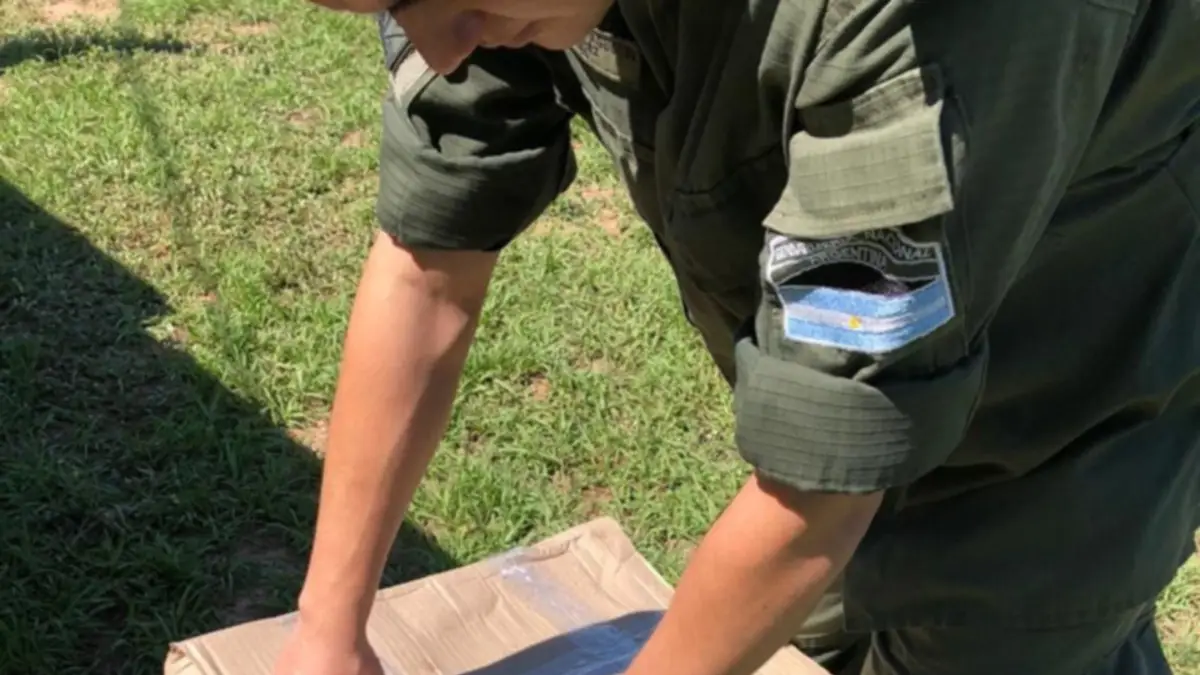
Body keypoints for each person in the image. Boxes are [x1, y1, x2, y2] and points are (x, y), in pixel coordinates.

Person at [273, 0, 1200, 673]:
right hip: (843, 447)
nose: (440, 44)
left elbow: (825, 478)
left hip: (1055, 433)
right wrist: (326, 631)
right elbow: (429, 261)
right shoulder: (478, 8)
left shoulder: (924, 24)